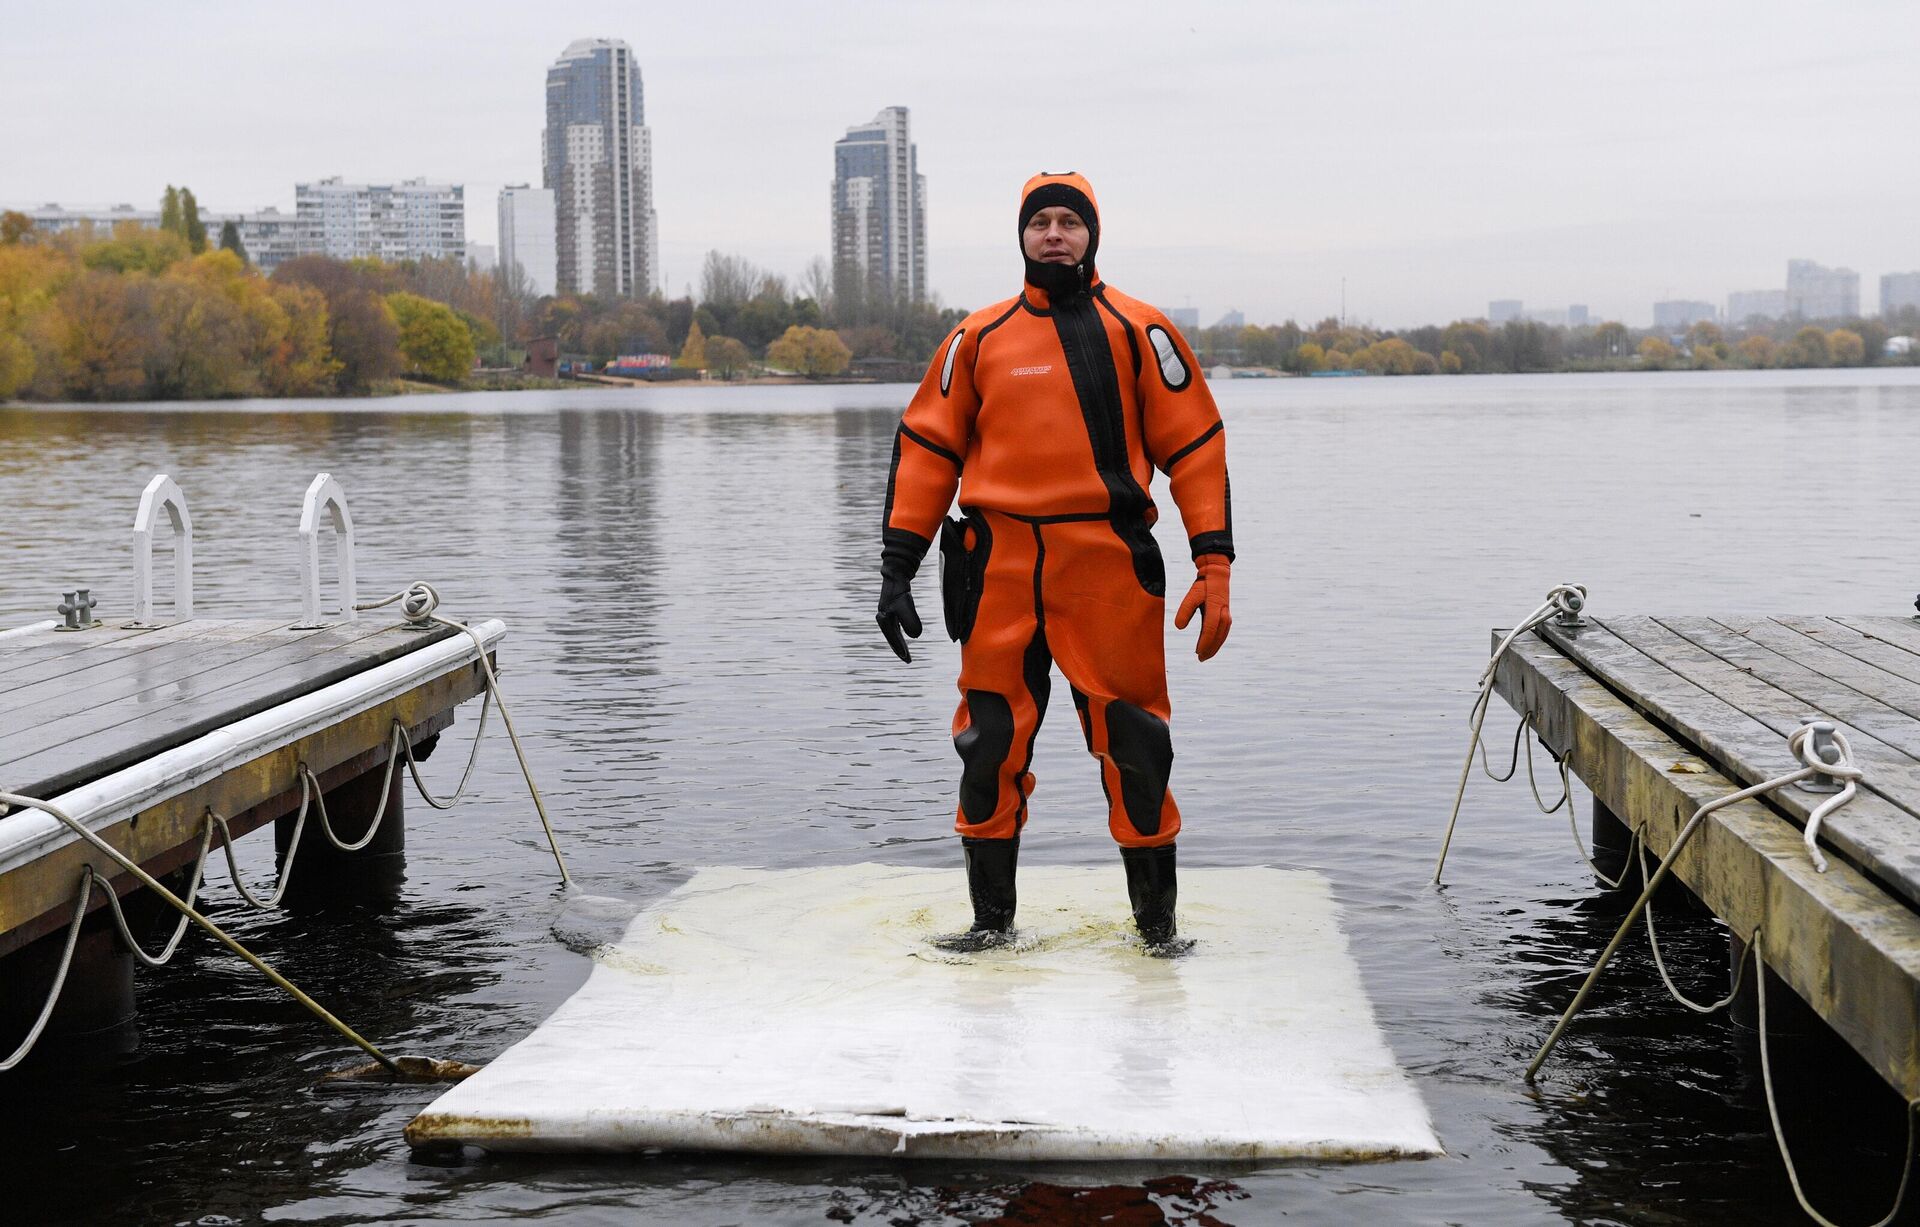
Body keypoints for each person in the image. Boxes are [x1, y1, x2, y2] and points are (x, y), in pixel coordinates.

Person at [875, 171, 1234, 952]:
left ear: (1092, 235)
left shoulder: (1140, 331)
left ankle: (1158, 933)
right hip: (999, 565)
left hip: (1106, 564)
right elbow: (928, 448)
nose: (1055, 234)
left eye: (1070, 221)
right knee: (988, 747)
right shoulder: (978, 339)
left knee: (1136, 747)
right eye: (1041, 222)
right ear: (1023, 236)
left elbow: (1197, 447)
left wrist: (1215, 567)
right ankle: (990, 925)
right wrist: (895, 567)